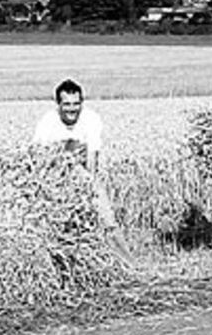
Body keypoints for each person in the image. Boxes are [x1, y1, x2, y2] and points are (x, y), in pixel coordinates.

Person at [32, 79, 138, 270]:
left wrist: (89, 189)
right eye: (66, 104)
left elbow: (92, 159)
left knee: (107, 221)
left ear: (82, 103)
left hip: (85, 176)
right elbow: (38, 159)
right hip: (55, 181)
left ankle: (127, 265)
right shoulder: (47, 122)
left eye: (76, 104)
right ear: (58, 105)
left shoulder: (91, 119)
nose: (72, 109)